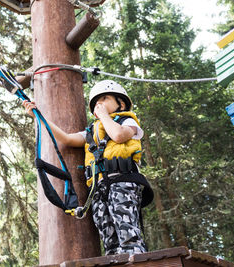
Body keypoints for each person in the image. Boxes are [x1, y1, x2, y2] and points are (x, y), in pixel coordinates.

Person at [22, 80, 152, 255]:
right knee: (108, 235)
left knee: (126, 229)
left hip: (123, 182)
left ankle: (135, 256)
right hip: (99, 188)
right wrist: (39, 115)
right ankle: (113, 258)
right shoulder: (91, 132)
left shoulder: (127, 121)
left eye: (104, 98)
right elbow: (66, 138)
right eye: (96, 103)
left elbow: (119, 136)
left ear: (121, 103)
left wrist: (104, 115)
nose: (99, 104)